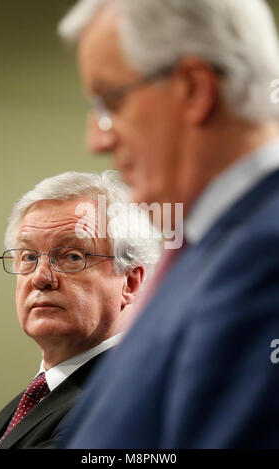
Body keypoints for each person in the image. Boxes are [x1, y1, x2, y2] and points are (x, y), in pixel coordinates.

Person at [57, 0, 279, 448]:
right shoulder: (208, 247)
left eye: (111, 101)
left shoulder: (266, 252)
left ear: (195, 87)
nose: (96, 139)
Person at [0, 170, 160, 449]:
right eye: (28, 257)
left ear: (130, 282)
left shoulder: (120, 404)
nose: (40, 277)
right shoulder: (40, 396)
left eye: (72, 257)